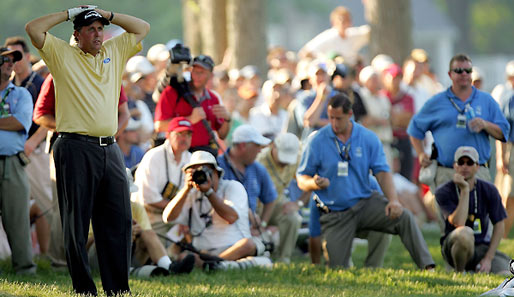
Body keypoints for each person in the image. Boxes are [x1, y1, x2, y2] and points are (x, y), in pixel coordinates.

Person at [26, 6, 150, 296]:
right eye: (90, 29)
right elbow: (33, 28)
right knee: (77, 223)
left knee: (118, 221)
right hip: (74, 147)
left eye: (99, 28)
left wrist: (108, 14)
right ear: (77, 35)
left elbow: (142, 26)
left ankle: (118, 289)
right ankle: (84, 289)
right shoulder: (62, 54)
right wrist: (70, 12)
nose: (97, 33)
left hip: (110, 147)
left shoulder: (114, 50)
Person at [296, 93, 435, 269]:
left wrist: (393, 200)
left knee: (404, 216)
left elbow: (383, 172)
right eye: (330, 118)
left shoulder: (367, 138)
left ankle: (427, 266)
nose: (333, 123)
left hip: (364, 204)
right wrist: (313, 183)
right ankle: (339, 260)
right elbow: (301, 177)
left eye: (338, 118)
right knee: (337, 269)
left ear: (350, 114)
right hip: (335, 212)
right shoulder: (317, 140)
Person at [408, 54, 509, 190]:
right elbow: (414, 129)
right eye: (459, 71)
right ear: (450, 74)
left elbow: (504, 132)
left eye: (467, 71)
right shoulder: (437, 101)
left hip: (478, 173)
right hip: (446, 173)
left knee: (477, 211)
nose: (464, 74)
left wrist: (485, 125)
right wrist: (421, 153)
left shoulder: (486, 100)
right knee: (448, 212)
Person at [162, 150, 256, 264]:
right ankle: (215, 264)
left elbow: (231, 217)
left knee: (248, 245)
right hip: (203, 251)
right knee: (183, 254)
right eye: (196, 171)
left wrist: (209, 193)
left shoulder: (233, 187)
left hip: (232, 247)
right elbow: (168, 218)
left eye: (206, 171)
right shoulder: (191, 193)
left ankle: (213, 264)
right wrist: (186, 189)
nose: (201, 175)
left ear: (216, 173)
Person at [4, 36, 51, 255]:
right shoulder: (12, 85)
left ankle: (50, 254)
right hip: (15, 152)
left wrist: (32, 142)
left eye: (18, 56)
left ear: (28, 57)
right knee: (22, 205)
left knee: (45, 202)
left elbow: (51, 118)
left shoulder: (38, 83)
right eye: (8, 58)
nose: (14, 63)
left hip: (35, 150)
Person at [435, 146, 510, 274]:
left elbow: (499, 224)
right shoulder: (444, 191)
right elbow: (458, 223)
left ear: (477, 167)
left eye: (469, 163)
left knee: (508, 272)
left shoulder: (489, 189)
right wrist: (464, 190)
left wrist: (488, 258)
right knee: (465, 233)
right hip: (454, 245)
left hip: (481, 248)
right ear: (454, 166)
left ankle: (480, 267)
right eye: (461, 162)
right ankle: (459, 273)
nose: (465, 166)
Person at [0, 47, 37, 274]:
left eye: (13, 60)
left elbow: (20, 122)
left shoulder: (21, 94)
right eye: (4, 60)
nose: (10, 63)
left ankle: (25, 269)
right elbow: (9, 121)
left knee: (18, 220)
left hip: (12, 164)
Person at [155, 54, 231, 154]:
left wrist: (227, 119)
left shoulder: (213, 99)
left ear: (210, 75)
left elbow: (222, 135)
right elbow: (159, 126)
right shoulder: (172, 92)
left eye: (202, 72)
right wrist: (190, 119)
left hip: (203, 153)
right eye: (195, 71)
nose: (197, 76)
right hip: (177, 153)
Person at [132, 117, 192, 238]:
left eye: (188, 134)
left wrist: (181, 219)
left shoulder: (190, 158)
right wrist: (176, 212)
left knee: (189, 236)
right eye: (180, 134)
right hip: (146, 215)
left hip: (173, 216)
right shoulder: (154, 156)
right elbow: (149, 199)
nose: (184, 138)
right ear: (168, 135)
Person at [256, 133, 308, 263]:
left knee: (293, 217)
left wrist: (298, 203)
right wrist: (260, 222)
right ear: (273, 146)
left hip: (277, 202)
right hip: (256, 206)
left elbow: (310, 182)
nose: (285, 162)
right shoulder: (259, 161)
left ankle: (284, 259)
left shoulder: (298, 158)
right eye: (282, 157)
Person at [299, 6, 369, 66]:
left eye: (347, 20)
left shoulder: (353, 34)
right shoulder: (328, 36)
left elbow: (369, 32)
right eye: (342, 20)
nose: (344, 23)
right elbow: (305, 53)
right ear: (334, 22)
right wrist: (325, 62)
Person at [382, 64, 415, 181]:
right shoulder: (382, 97)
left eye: (398, 78)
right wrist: (395, 119)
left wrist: (395, 118)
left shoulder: (407, 97)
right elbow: (391, 120)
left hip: (404, 139)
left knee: (406, 176)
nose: (396, 81)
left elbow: (408, 119)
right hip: (389, 140)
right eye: (393, 77)